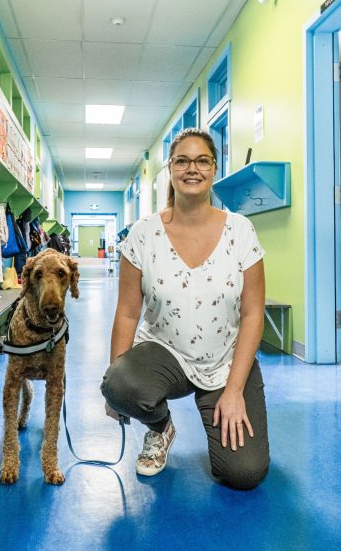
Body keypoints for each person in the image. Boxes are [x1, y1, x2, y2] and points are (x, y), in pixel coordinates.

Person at [101, 127, 269, 490]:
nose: (192, 168)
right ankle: (161, 429)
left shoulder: (241, 231)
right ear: (171, 170)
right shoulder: (143, 234)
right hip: (165, 353)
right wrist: (117, 391)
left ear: (213, 168)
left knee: (243, 473)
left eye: (202, 160)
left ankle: (226, 400)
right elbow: (128, 312)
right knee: (117, 383)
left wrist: (235, 390)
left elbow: (254, 313)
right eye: (182, 160)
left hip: (225, 360)